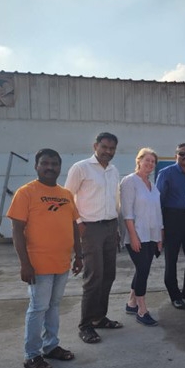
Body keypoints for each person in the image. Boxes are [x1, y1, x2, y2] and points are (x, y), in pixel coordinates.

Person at [8, 148, 83, 368]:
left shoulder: (65, 194)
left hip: (62, 263)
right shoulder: (26, 193)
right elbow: (17, 230)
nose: (50, 167)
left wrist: (79, 255)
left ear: (60, 167)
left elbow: (73, 225)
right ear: (36, 166)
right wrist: (25, 264)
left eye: (54, 164)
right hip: (38, 265)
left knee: (54, 306)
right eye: (45, 163)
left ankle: (50, 346)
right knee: (38, 307)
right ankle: (32, 355)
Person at [64, 132, 122, 344]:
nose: (108, 152)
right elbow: (67, 198)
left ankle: (99, 317)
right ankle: (85, 325)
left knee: (109, 275)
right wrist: (78, 225)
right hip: (90, 228)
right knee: (93, 277)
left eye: (112, 149)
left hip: (109, 226)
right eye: (105, 147)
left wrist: (115, 228)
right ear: (95, 145)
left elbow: (114, 200)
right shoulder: (81, 168)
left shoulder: (114, 170)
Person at [119, 148, 163, 327]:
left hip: (151, 235)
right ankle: (142, 309)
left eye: (153, 161)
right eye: (147, 160)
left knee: (142, 268)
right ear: (139, 161)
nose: (150, 164)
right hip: (136, 234)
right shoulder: (130, 182)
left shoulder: (153, 186)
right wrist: (133, 236)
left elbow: (157, 213)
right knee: (143, 269)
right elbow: (126, 212)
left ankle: (131, 303)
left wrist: (160, 237)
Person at [155, 143, 185, 309]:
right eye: (182, 154)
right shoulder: (166, 173)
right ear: (176, 156)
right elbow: (158, 200)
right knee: (171, 258)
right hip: (172, 218)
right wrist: (160, 226)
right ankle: (174, 295)